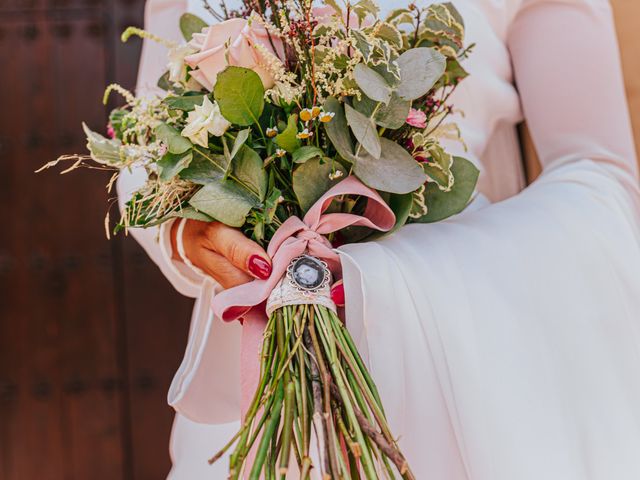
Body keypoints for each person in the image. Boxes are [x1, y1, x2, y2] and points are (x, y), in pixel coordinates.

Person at [118, 0, 640, 478]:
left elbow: (598, 172)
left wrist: (401, 276)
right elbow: (144, 148)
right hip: (259, 364)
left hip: (456, 362)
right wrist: (183, 230)